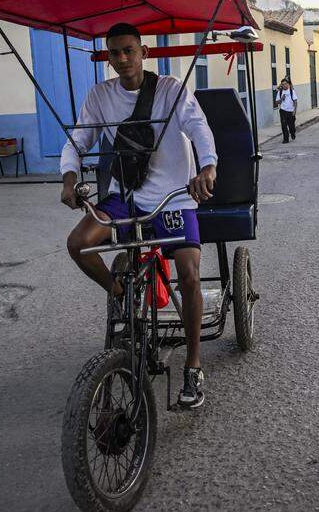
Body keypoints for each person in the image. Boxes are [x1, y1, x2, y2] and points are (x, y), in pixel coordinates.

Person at [61, 23, 218, 409]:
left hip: (174, 198)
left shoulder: (169, 89)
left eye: (129, 50)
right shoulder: (99, 96)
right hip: (125, 197)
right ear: (107, 56)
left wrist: (208, 167)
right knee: (78, 244)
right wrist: (69, 179)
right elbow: (78, 140)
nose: (122, 59)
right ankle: (120, 294)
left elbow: (198, 127)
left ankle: (194, 365)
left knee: (189, 275)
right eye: (114, 53)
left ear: (143, 51)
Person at [277, 77, 298, 143]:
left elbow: (295, 101)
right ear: (281, 85)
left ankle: (292, 133)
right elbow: (277, 102)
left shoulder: (292, 91)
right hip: (283, 111)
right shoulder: (280, 92)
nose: (284, 85)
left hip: (291, 111)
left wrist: (294, 111)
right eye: (283, 84)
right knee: (284, 125)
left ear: (288, 84)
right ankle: (286, 139)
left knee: (291, 126)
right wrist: (281, 99)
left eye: (285, 84)